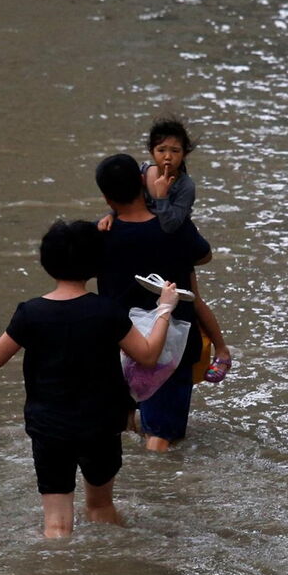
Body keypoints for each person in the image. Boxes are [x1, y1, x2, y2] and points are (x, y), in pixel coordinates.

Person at [0, 219, 180, 538]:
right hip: (100, 425)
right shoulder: (106, 311)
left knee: (56, 524)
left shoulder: (31, 313)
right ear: (95, 264)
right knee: (100, 507)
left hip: (50, 425)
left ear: (47, 263)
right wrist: (164, 309)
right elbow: (147, 355)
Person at [99, 116, 232, 382]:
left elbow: (171, 224)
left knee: (194, 299)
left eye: (175, 151)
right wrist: (112, 214)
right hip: (155, 240)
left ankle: (222, 350)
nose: (168, 157)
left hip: (176, 231)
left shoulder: (185, 185)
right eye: (162, 151)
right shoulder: (146, 172)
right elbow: (126, 199)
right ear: (151, 152)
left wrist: (160, 196)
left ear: (185, 154)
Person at [94, 153, 208, 452]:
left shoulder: (101, 234)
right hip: (171, 343)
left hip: (117, 343)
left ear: (106, 197)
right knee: (161, 434)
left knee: (121, 425)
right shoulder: (174, 229)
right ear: (143, 182)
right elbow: (204, 255)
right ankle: (156, 492)